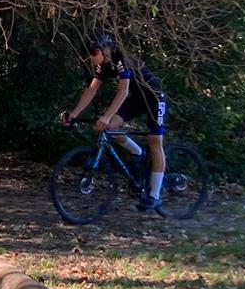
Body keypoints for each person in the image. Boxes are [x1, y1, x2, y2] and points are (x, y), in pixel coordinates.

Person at [59, 32, 167, 211]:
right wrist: (74, 113)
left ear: (104, 50)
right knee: (110, 128)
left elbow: (123, 91)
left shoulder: (120, 59)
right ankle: (139, 155)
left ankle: (154, 195)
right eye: (88, 53)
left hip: (154, 97)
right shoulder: (103, 65)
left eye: (93, 53)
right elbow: (92, 90)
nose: (90, 57)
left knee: (155, 142)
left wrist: (106, 115)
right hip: (136, 99)